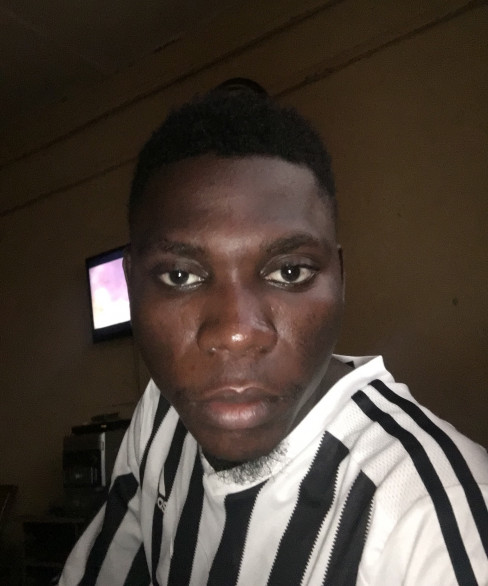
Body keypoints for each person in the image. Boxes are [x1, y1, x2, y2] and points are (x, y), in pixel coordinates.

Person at [59, 80, 488, 586]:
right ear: (131, 287)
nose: (237, 333)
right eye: (179, 276)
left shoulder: (434, 516)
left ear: (340, 280)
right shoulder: (160, 415)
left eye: (289, 271)